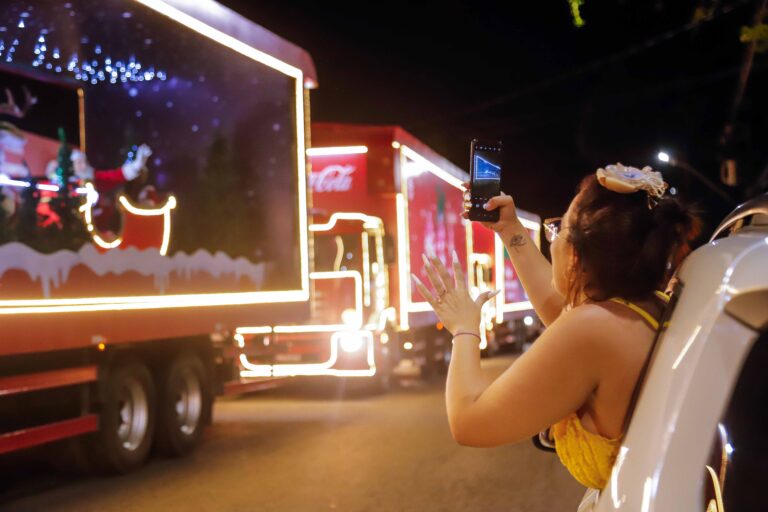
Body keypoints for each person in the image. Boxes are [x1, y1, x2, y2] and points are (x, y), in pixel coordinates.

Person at [411, 163, 701, 509]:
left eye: (558, 230)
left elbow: (469, 421)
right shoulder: (643, 307)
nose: (553, 240)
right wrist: (510, 229)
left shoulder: (593, 327)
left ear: (575, 254)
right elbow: (558, 307)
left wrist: (464, 328)